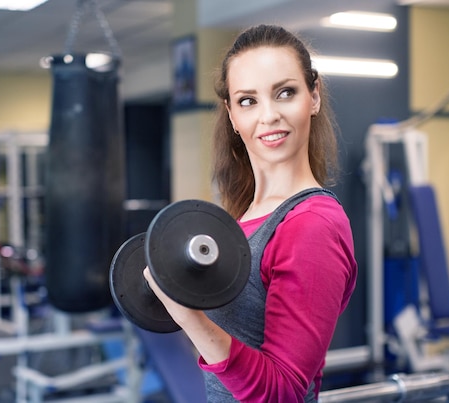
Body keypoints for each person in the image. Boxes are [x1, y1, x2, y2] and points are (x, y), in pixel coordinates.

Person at [143, 24, 357, 402]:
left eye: (285, 93)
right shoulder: (246, 217)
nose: (269, 115)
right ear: (231, 114)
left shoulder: (311, 225)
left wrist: (189, 317)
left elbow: (283, 393)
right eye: (248, 100)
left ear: (314, 96)